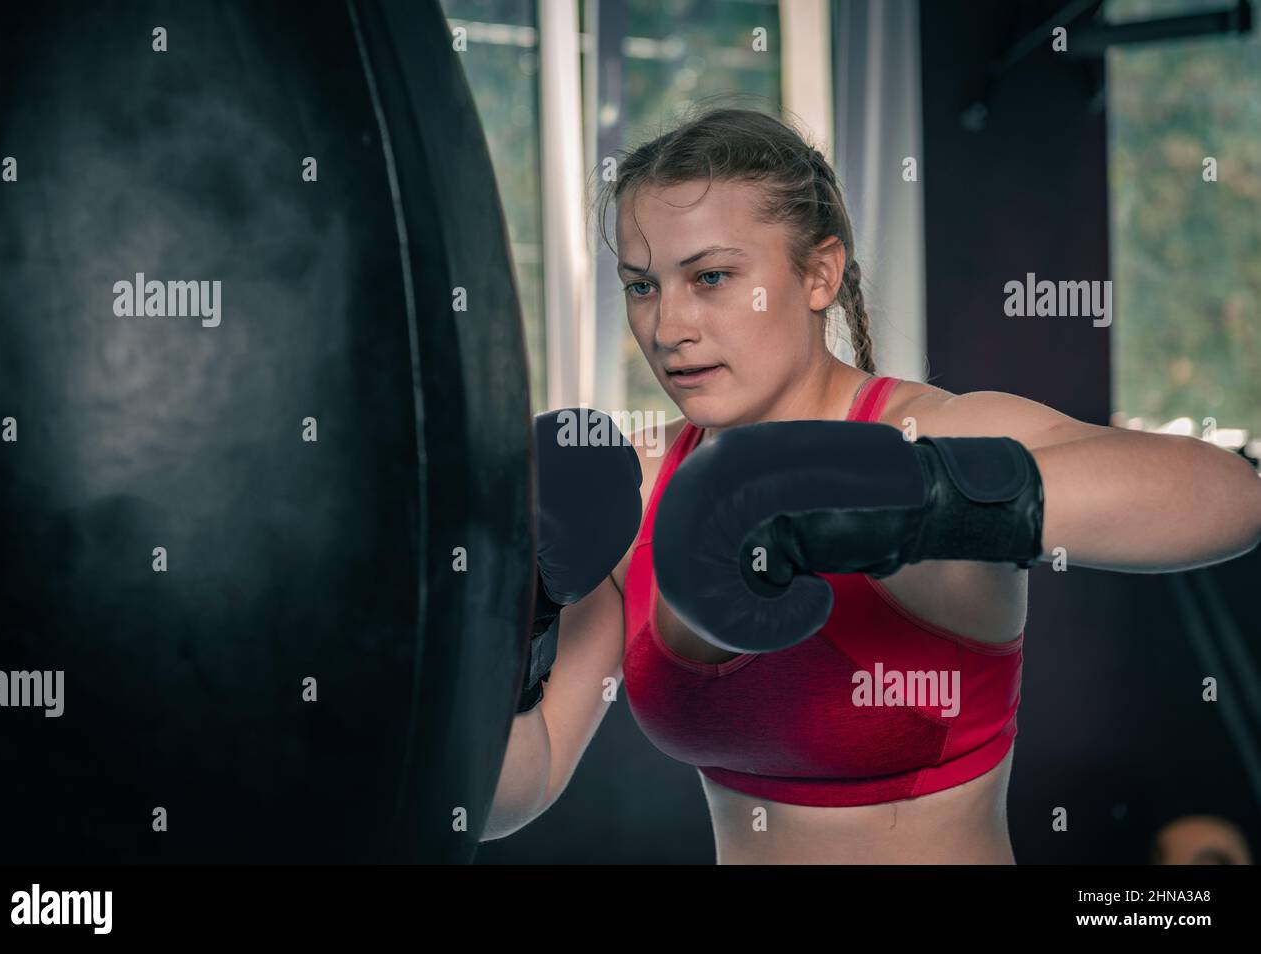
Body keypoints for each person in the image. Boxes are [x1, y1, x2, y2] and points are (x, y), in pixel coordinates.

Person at [483, 106, 1261, 863]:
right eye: (642, 286)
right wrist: (515, 616)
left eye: (712, 277)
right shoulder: (638, 489)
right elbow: (508, 798)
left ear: (819, 273)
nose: (667, 326)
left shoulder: (920, 438)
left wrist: (913, 503)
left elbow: (1229, 497)